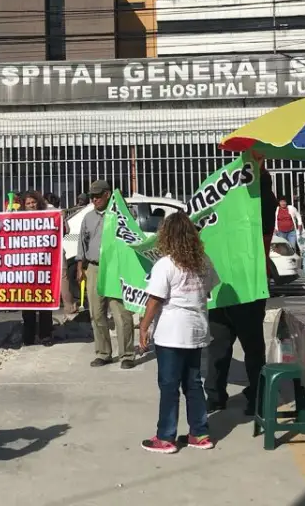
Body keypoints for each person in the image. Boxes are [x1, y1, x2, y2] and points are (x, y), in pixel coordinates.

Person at [138, 213, 220, 454]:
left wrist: (143, 327)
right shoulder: (203, 261)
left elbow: (154, 300)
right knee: (193, 384)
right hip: (196, 331)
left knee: (169, 385)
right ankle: (200, 433)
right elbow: (208, 290)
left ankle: (165, 437)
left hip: (171, 333)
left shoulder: (166, 264)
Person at [205, 159, 270, 416]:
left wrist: (256, 172)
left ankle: (256, 396)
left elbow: (263, 201)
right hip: (222, 284)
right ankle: (215, 395)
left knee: (252, 345)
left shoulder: (260, 198)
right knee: (218, 344)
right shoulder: (225, 200)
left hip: (248, 284)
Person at [77, 180, 135, 368]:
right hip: (94, 268)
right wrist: (80, 267)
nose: (94, 199)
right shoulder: (88, 218)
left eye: (97, 195)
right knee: (96, 313)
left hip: (116, 268)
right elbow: (82, 243)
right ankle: (103, 352)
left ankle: (127, 354)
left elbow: (132, 236)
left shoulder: (122, 214)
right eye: (91, 196)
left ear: (107, 194)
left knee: (121, 313)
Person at [20, 191, 54, 346]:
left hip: (44, 267)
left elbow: (63, 231)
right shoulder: (18, 220)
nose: (31, 206)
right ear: (23, 206)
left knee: (45, 302)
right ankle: (28, 336)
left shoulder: (48, 216)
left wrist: (59, 218)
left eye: (33, 202)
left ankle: (45, 335)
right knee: (27, 304)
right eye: (28, 203)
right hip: (25, 269)